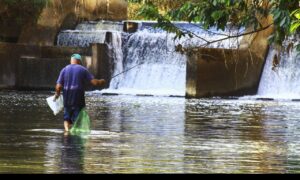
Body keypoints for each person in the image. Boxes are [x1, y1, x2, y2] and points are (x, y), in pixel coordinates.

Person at [54, 54, 105, 132]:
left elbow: (58, 87)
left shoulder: (64, 70)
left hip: (67, 98)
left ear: (71, 60)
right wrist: (101, 81)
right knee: (78, 119)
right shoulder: (82, 69)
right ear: (79, 61)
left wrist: (57, 94)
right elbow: (94, 82)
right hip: (78, 98)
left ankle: (67, 132)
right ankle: (76, 135)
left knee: (66, 118)